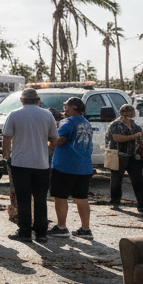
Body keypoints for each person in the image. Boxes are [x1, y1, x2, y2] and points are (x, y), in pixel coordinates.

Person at [1, 88, 58, 242]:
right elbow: (54, 139)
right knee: (40, 199)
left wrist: (6, 156)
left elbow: (6, 138)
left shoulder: (14, 114)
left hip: (20, 163)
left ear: (22, 100)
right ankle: (41, 233)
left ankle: (24, 232)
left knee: (23, 199)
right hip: (41, 164)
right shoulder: (47, 115)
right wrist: (44, 149)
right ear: (38, 100)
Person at [49, 96, 95, 239]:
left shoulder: (68, 122)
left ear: (74, 108)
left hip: (65, 166)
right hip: (84, 166)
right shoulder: (86, 123)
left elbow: (60, 139)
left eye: (66, 106)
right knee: (81, 198)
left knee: (60, 197)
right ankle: (85, 229)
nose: (64, 108)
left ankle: (62, 227)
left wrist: (49, 143)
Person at [107, 103, 143, 213]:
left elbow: (140, 138)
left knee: (138, 179)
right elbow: (116, 138)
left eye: (131, 116)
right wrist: (134, 136)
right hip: (118, 155)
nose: (128, 118)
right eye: (126, 116)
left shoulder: (135, 125)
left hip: (133, 156)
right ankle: (115, 202)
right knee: (116, 180)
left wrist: (142, 138)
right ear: (122, 114)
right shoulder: (115, 125)